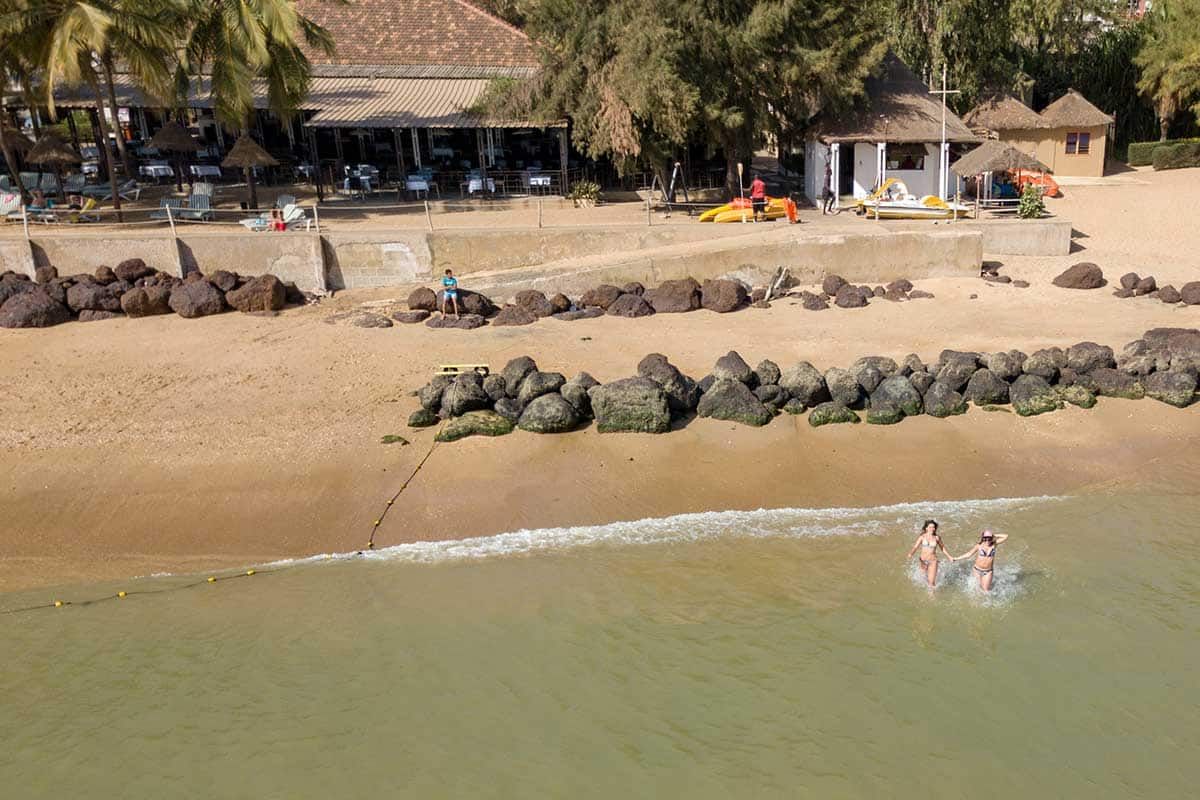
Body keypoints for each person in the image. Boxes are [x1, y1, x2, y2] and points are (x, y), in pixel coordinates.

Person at [906, 519, 951, 588]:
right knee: (923, 580)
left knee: (931, 583)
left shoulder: (937, 538)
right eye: (930, 527)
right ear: (926, 528)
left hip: (933, 561)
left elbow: (943, 548)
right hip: (923, 561)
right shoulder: (922, 537)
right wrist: (911, 553)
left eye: (933, 527)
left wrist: (949, 557)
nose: (932, 529)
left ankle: (932, 597)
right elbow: (915, 547)